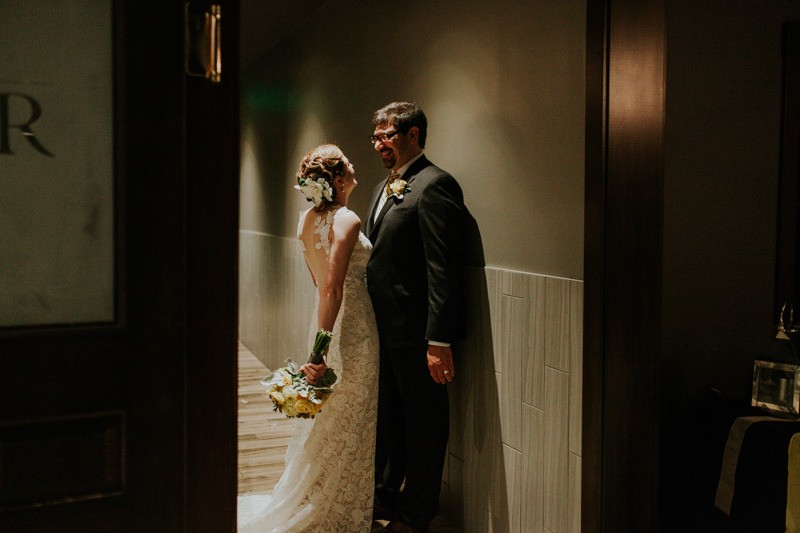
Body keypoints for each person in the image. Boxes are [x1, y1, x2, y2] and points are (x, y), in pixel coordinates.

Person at [238, 144, 380, 533]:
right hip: (352, 329)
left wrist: (318, 340)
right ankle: (332, 509)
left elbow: (318, 284)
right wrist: (321, 352)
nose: (354, 166)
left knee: (327, 421)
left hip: (322, 321)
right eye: (347, 164)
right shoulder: (347, 219)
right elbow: (333, 288)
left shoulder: (304, 221)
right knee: (350, 420)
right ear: (336, 179)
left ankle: (315, 494)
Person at [365, 102, 465, 532]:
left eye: (386, 135)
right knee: (391, 422)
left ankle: (417, 512)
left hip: (418, 336)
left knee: (424, 426)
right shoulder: (384, 186)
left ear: (413, 134)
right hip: (383, 332)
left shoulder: (435, 185)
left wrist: (438, 340)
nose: (378, 144)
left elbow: (443, 267)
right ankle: (386, 497)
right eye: (376, 136)